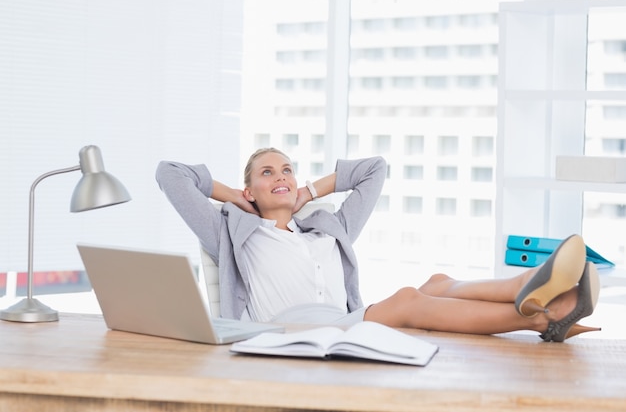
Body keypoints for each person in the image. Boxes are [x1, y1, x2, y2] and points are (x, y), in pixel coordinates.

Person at [156, 148, 601, 342]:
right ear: (249, 190)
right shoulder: (233, 234)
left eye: (287, 170)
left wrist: (309, 193)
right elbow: (170, 174)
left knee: (437, 281)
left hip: (340, 322)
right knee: (408, 299)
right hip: (285, 334)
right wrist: (232, 196)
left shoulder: (328, 229)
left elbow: (374, 169)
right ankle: (542, 316)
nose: (282, 177)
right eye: (267, 173)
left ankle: (534, 287)